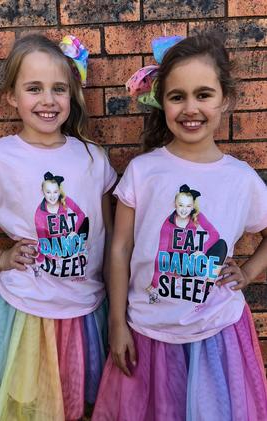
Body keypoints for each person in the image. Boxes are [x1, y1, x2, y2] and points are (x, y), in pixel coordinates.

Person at [92, 33, 267, 421]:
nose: (191, 108)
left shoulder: (241, 179)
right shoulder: (143, 171)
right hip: (147, 332)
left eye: (203, 94)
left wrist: (250, 271)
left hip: (217, 336)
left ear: (226, 99)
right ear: (162, 103)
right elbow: (119, 250)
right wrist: (117, 324)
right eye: (177, 96)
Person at [0, 33, 117, 420]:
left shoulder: (92, 157)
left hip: (86, 314)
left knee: (79, 409)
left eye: (59, 88)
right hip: (26, 316)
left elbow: (109, 238)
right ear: (12, 96)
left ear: (73, 93)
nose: (48, 100)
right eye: (34, 88)